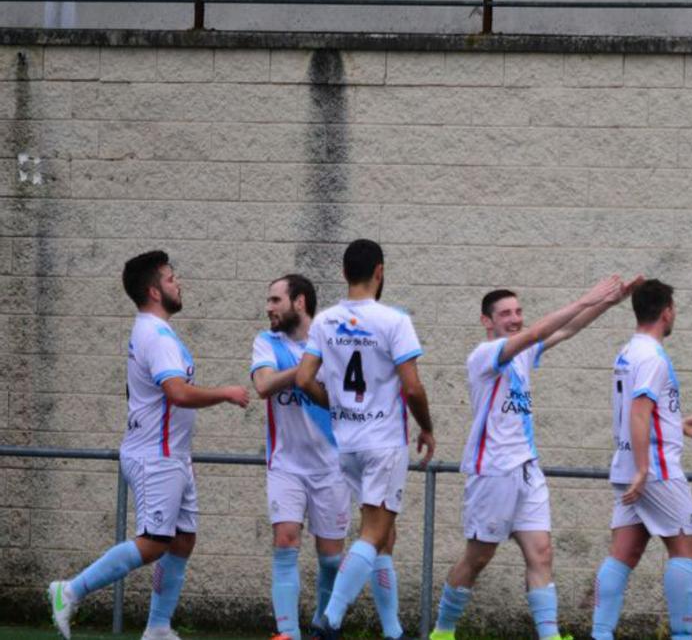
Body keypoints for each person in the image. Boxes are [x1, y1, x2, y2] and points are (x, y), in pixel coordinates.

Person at [49, 250, 250, 640]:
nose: (179, 283)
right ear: (153, 290)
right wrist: (225, 392)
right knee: (155, 543)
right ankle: (70, 590)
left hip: (173, 456)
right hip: (155, 457)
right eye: (171, 278)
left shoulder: (156, 332)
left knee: (182, 540)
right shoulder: (155, 335)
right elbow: (176, 393)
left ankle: (158, 627)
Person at [429, 276, 631, 640]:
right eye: (505, 313)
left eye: (519, 311)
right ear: (486, 321)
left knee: (541, 552)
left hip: (526, 469)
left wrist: (609, 302)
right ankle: (442, 632)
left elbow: (566, 330)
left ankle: (549, 636)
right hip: (493, 472)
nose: (515, 318)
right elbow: (538, 332)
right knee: (478, 558)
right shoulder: (484, 355)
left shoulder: (523, 352)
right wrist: (585, 296)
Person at [298, 239, 436, 640]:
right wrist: (426, 427)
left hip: (348, 443)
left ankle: (393, 632)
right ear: (379, 271)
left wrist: (338, 406)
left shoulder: (324, 321)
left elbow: (305, 379)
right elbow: (412, 388)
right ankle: (331, 618)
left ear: (343, 273)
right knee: (374, 533)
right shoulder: (393, 320)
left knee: (384, 538)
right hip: (383, 442)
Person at [591, 279, 692, 640]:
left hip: (628, 467)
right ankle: (682, 636)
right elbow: (639, 412)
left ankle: (600, 634)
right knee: (686, 549)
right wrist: (643, 468)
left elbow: (642, 413)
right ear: (667, 311)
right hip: (654, 470)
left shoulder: (627, 351)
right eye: (675, 308)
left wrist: (676, 425)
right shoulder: (652, 356)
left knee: (624, 552)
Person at [251, 274, 355, 640]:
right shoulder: (267, 342)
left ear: (300, 302)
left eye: (275, 300)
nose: (269, 307)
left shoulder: (335, 343)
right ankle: (288, 633)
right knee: (285, 541)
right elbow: (263, 385)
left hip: (331, 466)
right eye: (269, 300)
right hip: (285, 466)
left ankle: (324, 627)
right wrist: (307, 366)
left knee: (330, 558)